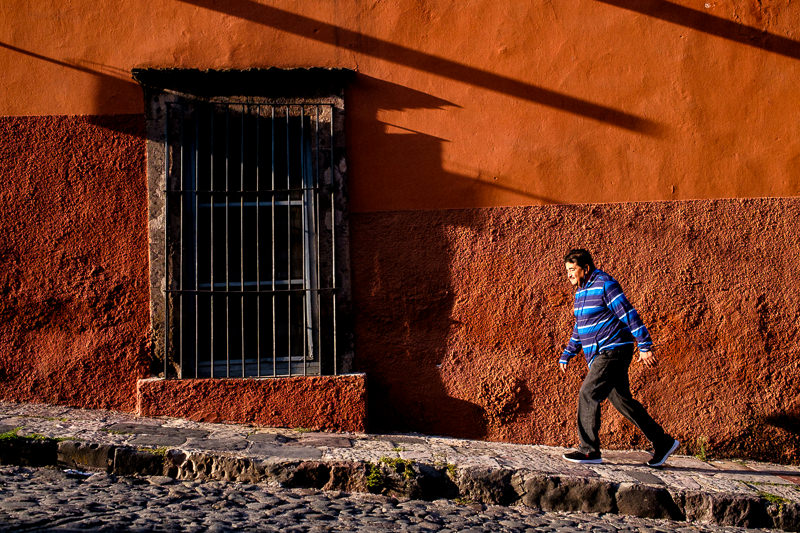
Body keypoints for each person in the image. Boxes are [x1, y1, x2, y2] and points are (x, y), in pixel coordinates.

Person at [559, 249, 679, 467]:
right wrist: (568, 352)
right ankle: (663, 442)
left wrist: (644, 344)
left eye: (572, 269)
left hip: (613, 350)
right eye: (566, 270)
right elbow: (580, 326)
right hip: (598, 354)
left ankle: (589, 451)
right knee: (622, 401)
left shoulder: (605, 284)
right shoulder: (579, 294)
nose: (568, 274)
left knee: (588, 393)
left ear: (585, 268)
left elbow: (628, 313)